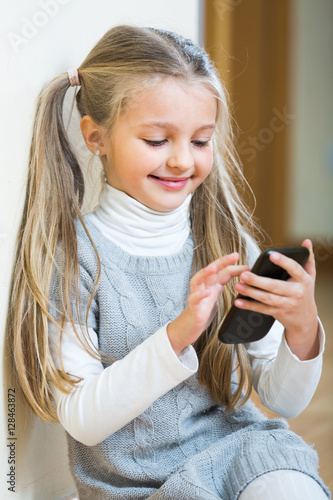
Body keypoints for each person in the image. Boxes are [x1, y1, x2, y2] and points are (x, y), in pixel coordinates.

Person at [8, 25, 330, 500]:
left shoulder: (227, 240)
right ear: (95, 136)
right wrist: (180, 332)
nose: (182, 160)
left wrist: (303, 330)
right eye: (158, 140)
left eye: (201, 141)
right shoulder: (75, 259)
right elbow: (81, 419)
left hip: (243, 452)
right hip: (141, 486)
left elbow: (283, 399)